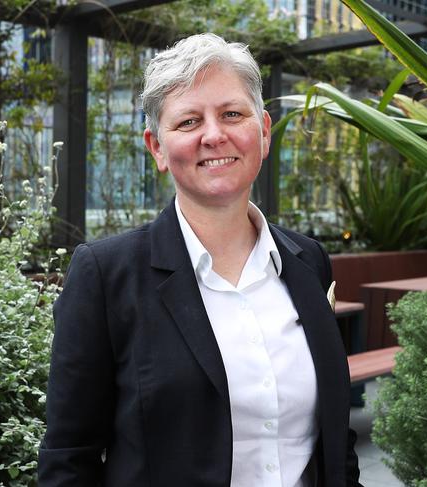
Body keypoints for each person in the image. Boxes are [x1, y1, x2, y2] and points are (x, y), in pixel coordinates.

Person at [38, 33, 361, 487]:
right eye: (189, 122)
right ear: (157, 148)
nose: (214, 135)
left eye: (232, 114)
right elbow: (69, 458)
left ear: (264, 131)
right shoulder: (106, 275)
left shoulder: (308, 261)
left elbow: (333, 438)